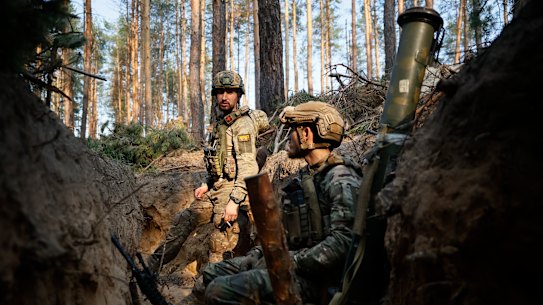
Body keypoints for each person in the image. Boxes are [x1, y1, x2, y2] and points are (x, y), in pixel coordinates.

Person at [199, 101, 363, 305]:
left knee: (218, 290)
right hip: (294, 265)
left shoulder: (341, 179)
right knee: (212, 273)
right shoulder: (303, 179)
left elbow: (344, 243)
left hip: (319, 281)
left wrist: (290, 262)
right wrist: (257, 256)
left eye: (293, 130)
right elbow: (283, 235)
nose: (288, 137)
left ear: (306, 134)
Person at [147, 70, 267, 273]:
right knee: (183, 221)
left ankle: (212, 289)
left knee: (219, 246)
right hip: (216, 190)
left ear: (239, 95)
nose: (224, 96)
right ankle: (148, 269)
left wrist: (234, 201)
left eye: (230, 91)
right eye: (220, 92)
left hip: (232, 192)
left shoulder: (242, 124)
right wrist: (206, 183)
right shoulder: (221, 124)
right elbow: (217, 163)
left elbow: (248, 166)